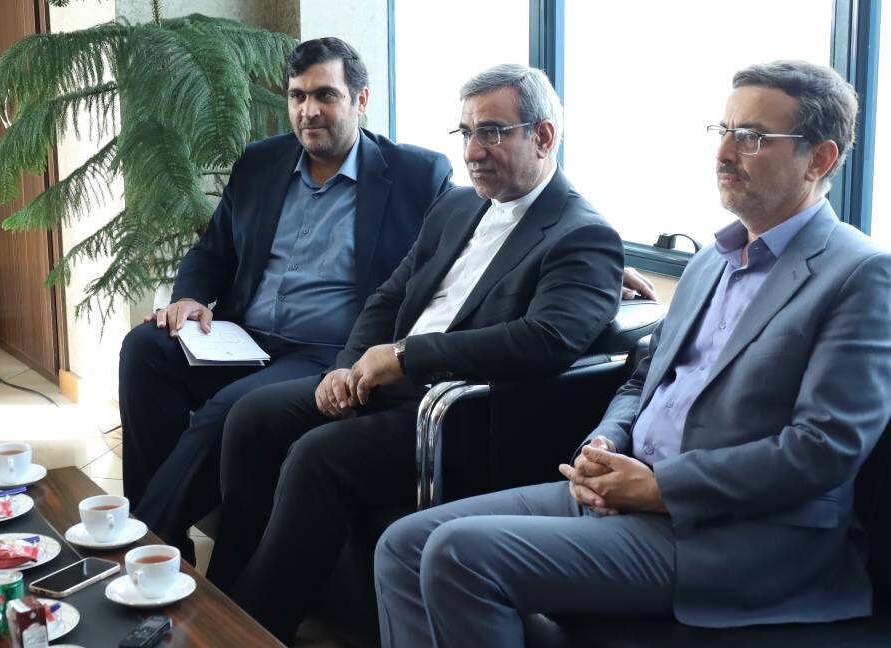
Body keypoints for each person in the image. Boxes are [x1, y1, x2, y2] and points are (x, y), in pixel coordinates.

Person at [373, 60, 891, 647]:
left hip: (737, 535)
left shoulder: (860, 274)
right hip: (629, 491)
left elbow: (823, 449)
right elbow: (640, 381)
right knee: (402, 545)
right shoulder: (712, 261)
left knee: (459, 554)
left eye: (751, 137)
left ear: (819, 159)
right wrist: (606, 441)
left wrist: (661, 487)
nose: (723, 153)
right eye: (723, 131)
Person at [210, 63, 627, 643]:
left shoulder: (583, 234)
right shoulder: (457, 206)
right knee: (252, 417)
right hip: (389, 382)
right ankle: (218, 598)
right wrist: (347, 366)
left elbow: (545, 341)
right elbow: (389, 296)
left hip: (459, 415)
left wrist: (406, 357)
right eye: (466, 133)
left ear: (543, 136)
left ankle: (251, 630)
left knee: (318, 456)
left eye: (492, 132)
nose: (473, 151)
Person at [119, 37, 453, 559]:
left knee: (229, 409)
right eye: (298, 96)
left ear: (361, 100)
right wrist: (190, 297)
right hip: (242, 339)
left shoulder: (416, 175)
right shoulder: (261, 163)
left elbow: (464, 250)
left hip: (326, 351)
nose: (308, 111)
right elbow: (213, 250)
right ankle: (170, 545)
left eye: (325, 95)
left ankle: (140, 544)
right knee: (144, 348)